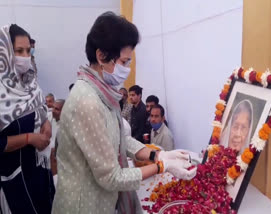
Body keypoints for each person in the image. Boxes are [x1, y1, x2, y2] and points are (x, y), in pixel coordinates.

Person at [52, 12, 197, 214]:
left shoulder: (101, 92)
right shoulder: (87, 101)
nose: (127, 69)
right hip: (83, 205)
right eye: (124, 62)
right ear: (101, 55)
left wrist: (158, 154)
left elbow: (119, 139)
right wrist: (162, 166)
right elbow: (112, 177)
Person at [0, 24, 55, 214]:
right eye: (18, 51)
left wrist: (46, 123)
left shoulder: (30, 82)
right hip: (12, 182)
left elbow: (39, 109)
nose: (25, 57)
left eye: (28, 51)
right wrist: (30, 139)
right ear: (4, 52)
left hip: (37, 172)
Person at [49, 99, 65, 186]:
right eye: (53, 108)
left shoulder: (64, 129)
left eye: (57, 109)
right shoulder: (50, 121)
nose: (53, 111)